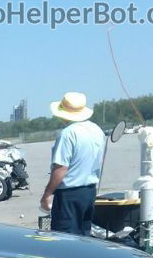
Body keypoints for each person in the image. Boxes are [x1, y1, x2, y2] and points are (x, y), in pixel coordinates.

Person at [40, 92, 105, 235]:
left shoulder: (68, 133)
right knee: (84, 235)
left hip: (69, 194)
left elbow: (61, 168)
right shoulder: (97, 130)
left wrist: (47, 194)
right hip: (89, 191)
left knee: (65, 238)